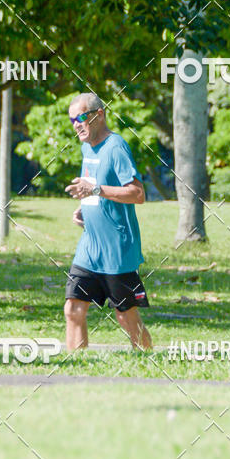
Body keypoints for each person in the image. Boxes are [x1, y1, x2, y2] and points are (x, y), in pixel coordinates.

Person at [64, 92, 152, 352]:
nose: (76, 124)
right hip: (89, 247)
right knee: (73, 309)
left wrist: (95, 191)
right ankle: (76, 369)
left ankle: (147, 359)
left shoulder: (116, 147)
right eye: (72, 120)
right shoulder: (86, 146)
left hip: (117, 249)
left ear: (99, 115)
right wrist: (85, 206)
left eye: (81, 117)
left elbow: (138, 194)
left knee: (126, 316)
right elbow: (93, 186)